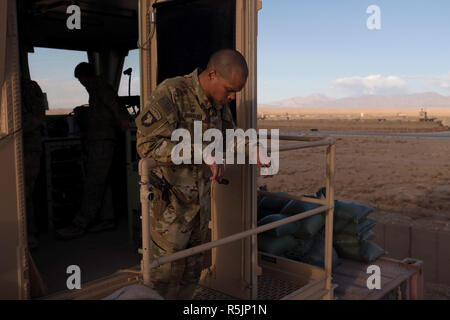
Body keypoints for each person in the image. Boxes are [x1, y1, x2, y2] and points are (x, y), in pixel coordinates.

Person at [136, 49, 269, 299]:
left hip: (200, 210)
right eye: (229, 90)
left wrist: (255, 148)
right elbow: (147, 146)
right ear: (211, 74)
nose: (231, 97)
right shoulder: (172, 92)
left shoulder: (218, 105)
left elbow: (231, 137)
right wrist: (200, 152)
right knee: (163, 282)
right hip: (170, 213)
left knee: (190, 278)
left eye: (235, 93)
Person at [56, 62, 130, 240]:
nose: (81, 83)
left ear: (83, 77)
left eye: (80, 79)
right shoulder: (97, 88)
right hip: (100, 140)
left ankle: (80, 223)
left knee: (93, 184)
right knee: (103, 182)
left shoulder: (99, 87)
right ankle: (107, 219)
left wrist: (123, 124)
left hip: (102, 143)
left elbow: (117, 108)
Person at [21, 78, 47, 249]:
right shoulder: (33, 86)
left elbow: (30, 120)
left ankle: (28, 236)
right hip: (33, 147)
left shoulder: (22, 87)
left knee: (24, 193)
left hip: (27, 147)